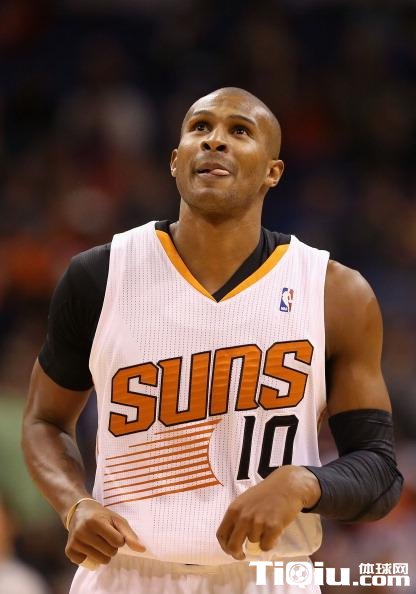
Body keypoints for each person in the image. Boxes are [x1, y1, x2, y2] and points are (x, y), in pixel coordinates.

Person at [22, 87, 403, 594]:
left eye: (239, 131)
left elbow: (379, 472)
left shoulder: (334, 292)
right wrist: (75, 504)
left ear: (273, 172)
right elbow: (44, 421)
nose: (215, 141)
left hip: (270, 576)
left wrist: (304, 482)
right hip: (126, 573)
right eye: (200, 128)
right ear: (175, 160)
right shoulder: (100, 275)